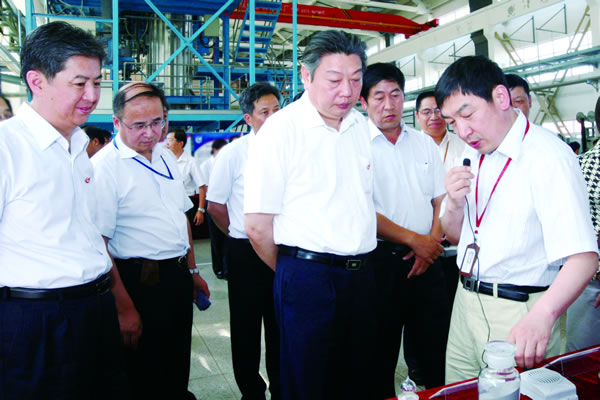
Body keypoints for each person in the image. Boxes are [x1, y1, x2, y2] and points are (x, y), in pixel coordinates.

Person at [437, 55, 598, 383]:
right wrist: (453, 203)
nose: (462, 131)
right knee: (459, 389)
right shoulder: (472, 155)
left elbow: (584, 258)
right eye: (452, 122)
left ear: (500, 97)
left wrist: (543, 316)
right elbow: (455, 236)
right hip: (465, 301)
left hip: (519, 311)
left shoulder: (547, 157)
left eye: (467, 114)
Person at [244, 30, 378, 400]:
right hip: (308, 277)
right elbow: (256, 225)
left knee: (359, 380)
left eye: (356, 80)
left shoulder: (360, 127)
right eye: (334, 80)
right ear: (306, 75)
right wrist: (297, 270)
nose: (347, 91)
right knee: (308, 383)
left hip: (362, 276)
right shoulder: (281, 130)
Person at [0, 21, 127, 399]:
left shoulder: (78, 146)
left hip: (94, 308)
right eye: (79, 83)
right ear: (37, 81)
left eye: (98, 82)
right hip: (36, 320)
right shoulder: (8, 148)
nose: (92, 95)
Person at [92, 82, 210, 400]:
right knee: (143, 372)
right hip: (137, 281)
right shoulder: (105, 168)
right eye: (139, 125)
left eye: (158, 122)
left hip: (175, 275)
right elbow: (99, 245)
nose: (150, 133)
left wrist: (192, 271)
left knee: (176, 360)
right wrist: (123, 307)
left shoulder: (165, 155)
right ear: (116, 122)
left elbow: (180, 217)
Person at [359, 63, 448, 395]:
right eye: (379, 96)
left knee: (435, 347)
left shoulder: (424, 144)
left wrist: (430, 243)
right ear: (363, 102)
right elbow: (362, 210)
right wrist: (415, 241)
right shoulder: (355, 147)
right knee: (378, 351)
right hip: (380, 263)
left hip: (430, 259)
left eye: (395, 95)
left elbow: (441, 199)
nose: (389, 104)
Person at [207, 82, 281, 400]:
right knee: (246, 326)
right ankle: (251, 391)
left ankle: (282, 387)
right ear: (248, 118)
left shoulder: (291, 150)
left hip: (284, 249)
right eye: (265, 112)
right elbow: (215, 206)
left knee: (282, 325)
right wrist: (240, 233)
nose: (273, 117)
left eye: (277, 110)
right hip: (246, 251)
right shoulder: (234, 154)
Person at [568, 95, 600, 351]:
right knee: (584, 360)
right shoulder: (584, 167)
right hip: (591, 284)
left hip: (585, 282)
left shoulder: (578, 165)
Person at [165, 128, 204, 237]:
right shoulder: (166, 161)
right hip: (170, 205)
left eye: (170, 140)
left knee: (185, 236)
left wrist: (200, 210)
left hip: (186, 205)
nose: (167, 144)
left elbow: (202, 187)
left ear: (180, 143)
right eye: (166, 140)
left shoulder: (191, 162)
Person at [199, 138, 228, 278]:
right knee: (216, 238)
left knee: (227, 237)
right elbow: (205, 187)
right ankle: (218, 268)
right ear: (215, 150)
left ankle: (227, 268)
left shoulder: (226, 163)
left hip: (227, 203)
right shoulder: (206, 165)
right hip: (212, 202)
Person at [416, 90, 466, 171]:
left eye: (438, 111)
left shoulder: (464, 143)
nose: (434, 117)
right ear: (417, 116)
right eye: (426, 112)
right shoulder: (411, 147)